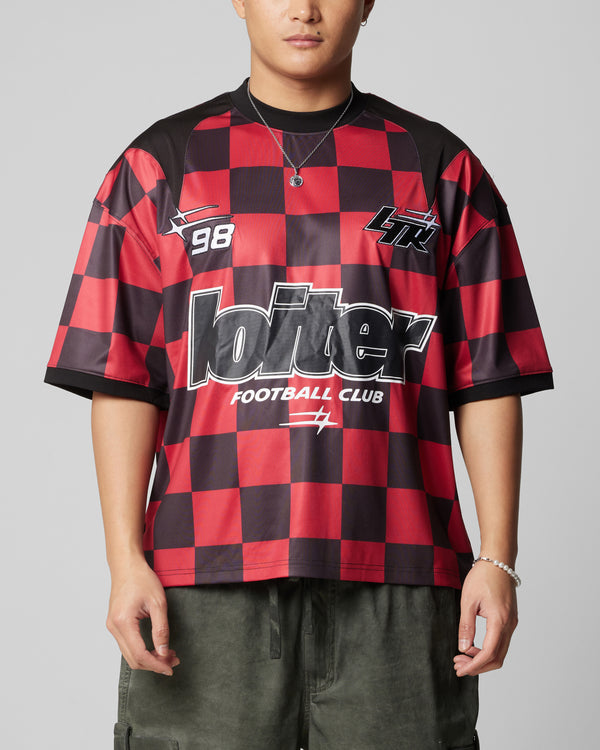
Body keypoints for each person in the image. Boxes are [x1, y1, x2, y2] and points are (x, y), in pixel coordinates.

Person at [44, 1, 553, 748]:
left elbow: (488, 377)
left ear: (369, 4)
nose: (305, 9)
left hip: (401, 572)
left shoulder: (438, 166)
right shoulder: (161, 165)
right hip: (203, 577)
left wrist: (498, 559)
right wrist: (125, 562)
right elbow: (123, 379)